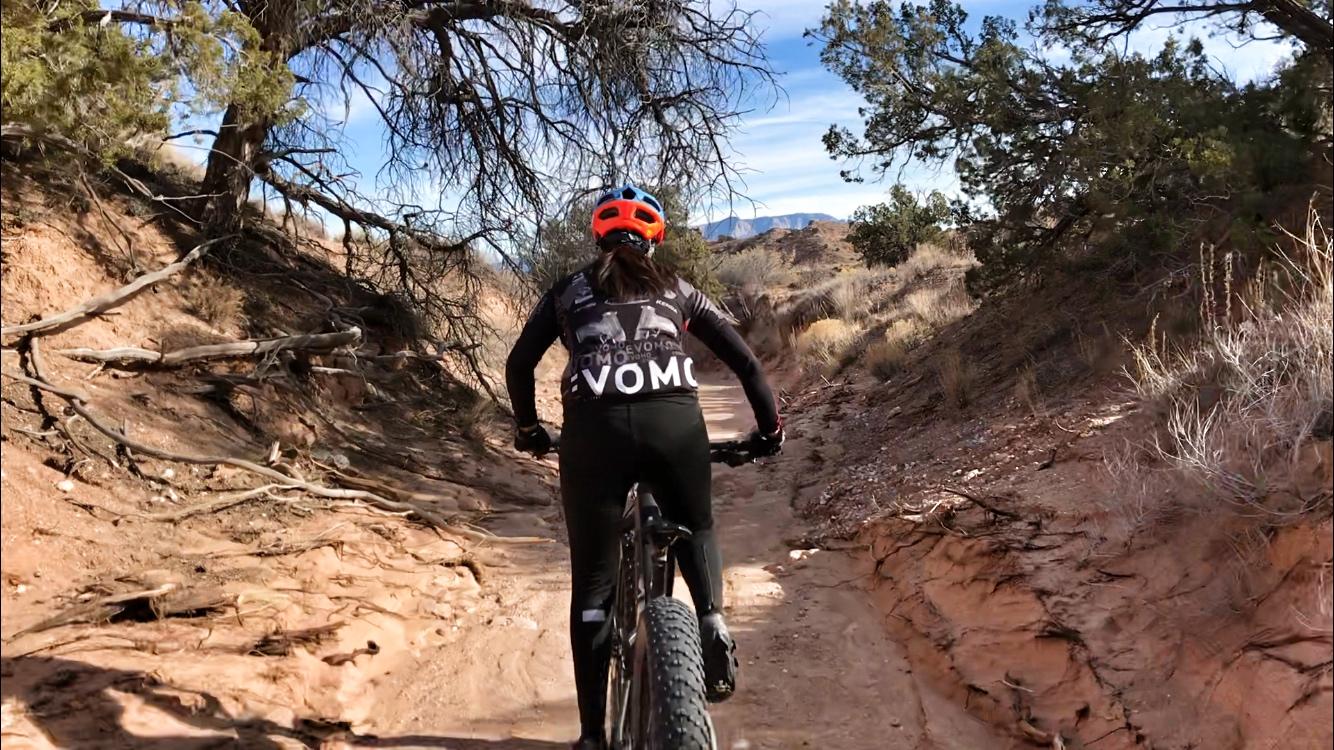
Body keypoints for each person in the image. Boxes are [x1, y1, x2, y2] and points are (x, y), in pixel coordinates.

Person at [505, 184, 784, 749]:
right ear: (654, 238)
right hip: (673, 425)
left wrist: (531, 430)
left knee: (593, 587)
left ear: (598, 237)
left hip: (594, 433)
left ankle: (590, 737)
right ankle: (710, 620)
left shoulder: (566, 291)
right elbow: (748, 364)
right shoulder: (679, 289)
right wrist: (769, 433)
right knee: (697, 524)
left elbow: (519, 364)